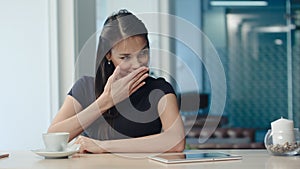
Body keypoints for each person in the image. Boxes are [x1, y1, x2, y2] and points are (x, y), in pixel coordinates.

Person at [47, 9, 185, 153]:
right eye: (125, 57)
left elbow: (176, 141)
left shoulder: (160, 89)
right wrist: (106, 101)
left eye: (143, 53)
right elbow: (53, 138)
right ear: (108, 55)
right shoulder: (85, 87)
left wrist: (103, 146)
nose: (137, 64)